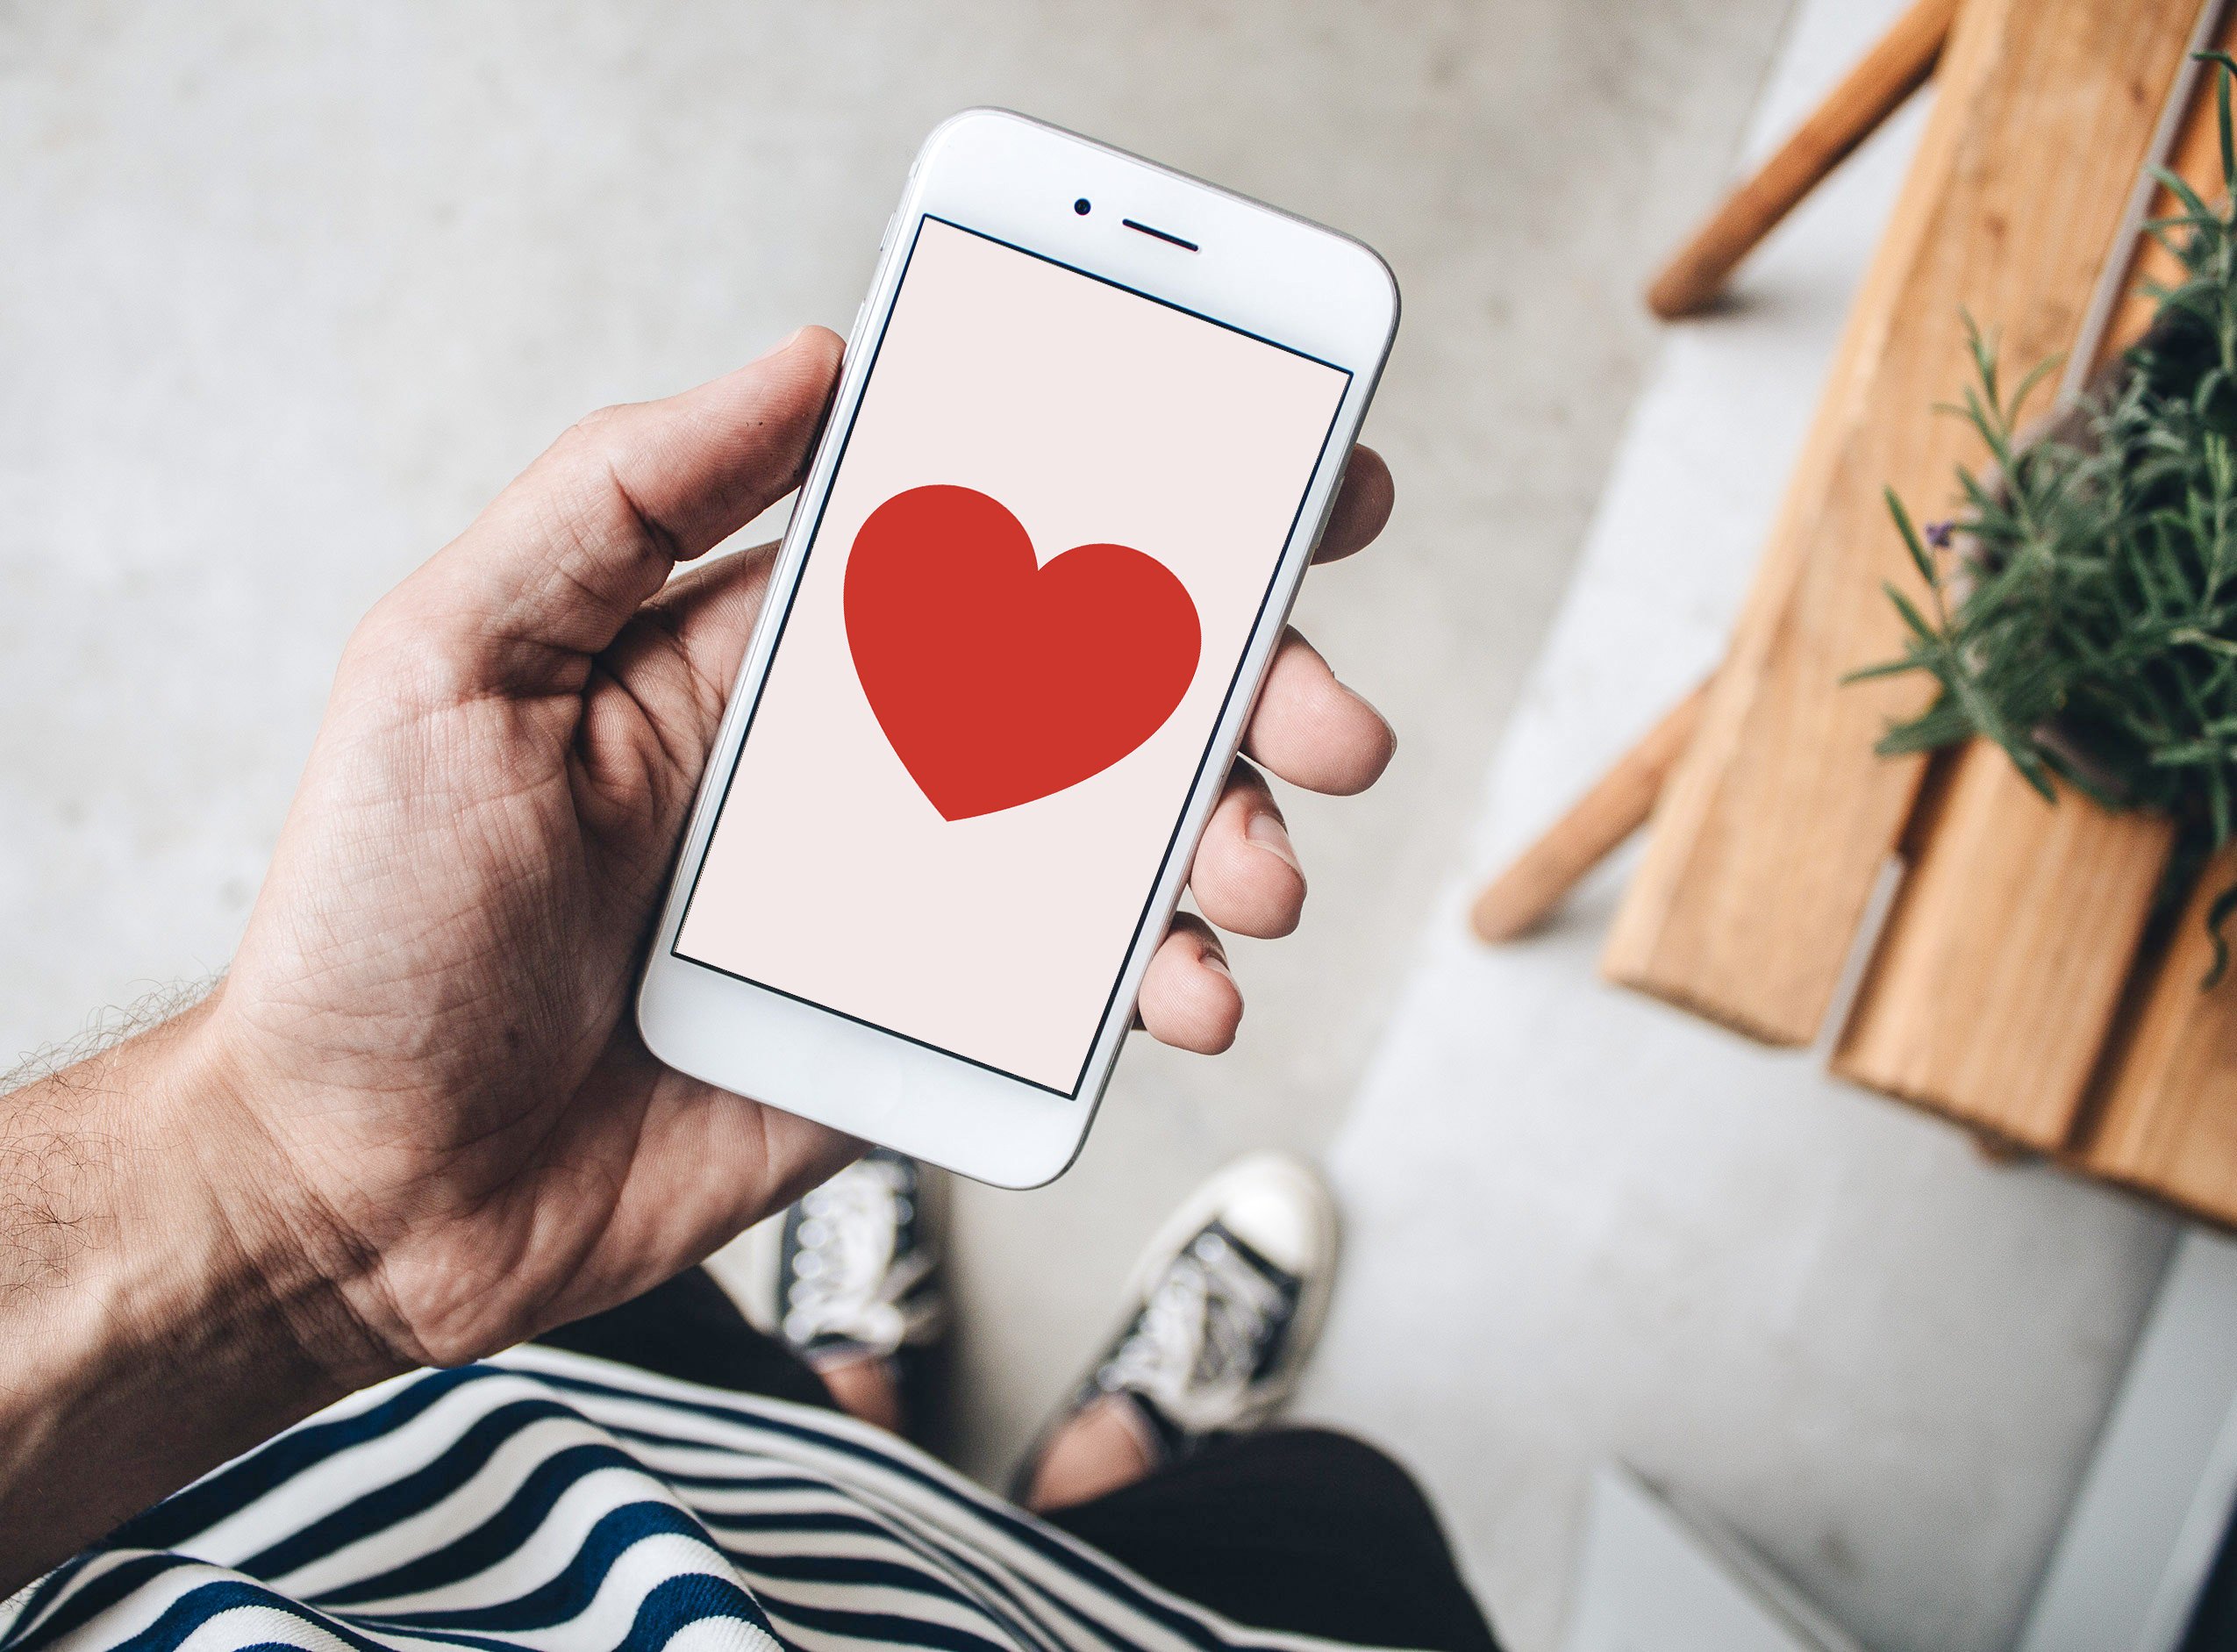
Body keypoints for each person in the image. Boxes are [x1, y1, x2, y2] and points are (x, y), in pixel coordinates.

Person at [0, 328, 1497, 1652]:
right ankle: (1094, 1468)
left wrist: (286, 1199)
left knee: (761, 1421)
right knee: (1326, 1523)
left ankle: (850, 1386)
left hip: (441, 1458)